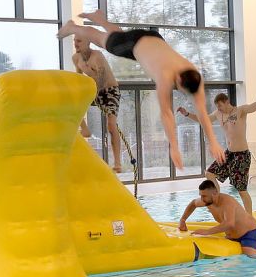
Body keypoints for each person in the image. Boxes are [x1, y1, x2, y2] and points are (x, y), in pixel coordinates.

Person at [58, 10, 224, 169]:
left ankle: (100, 18)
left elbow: (202, 112)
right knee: (101, 39)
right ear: (179, 78)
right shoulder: (165, 76)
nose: (179, 91)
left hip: (152, 41)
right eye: (180, 88)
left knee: (118, 37)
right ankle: (73, 27)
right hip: (135, 43)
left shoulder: (195, 76)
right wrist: (174, 147)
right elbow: (166, 113)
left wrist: (213, 142)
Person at [177, 85, 256, 214]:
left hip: (242, 155)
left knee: (241, 190)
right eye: (217, 107)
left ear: (227, 102)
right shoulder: (218, 113)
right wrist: (187, 114)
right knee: (209, 173)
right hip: (229, 154)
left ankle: (249, 218)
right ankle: (217, 199)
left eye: (220, 106)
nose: (219, 109)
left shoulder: (240, 111)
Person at [71, 34, 122, 172]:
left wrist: (91, 94)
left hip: (109, 91)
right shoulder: (76, 58)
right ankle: (85, 129)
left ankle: (117, 163)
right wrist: (80, 95)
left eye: (79, 40)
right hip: (94, 90)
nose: (76, 43)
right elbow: (79, 79)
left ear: (88, 42)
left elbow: (100, 78)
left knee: (111, 125)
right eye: (74, 41)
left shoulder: (97, 56)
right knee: (73, 102)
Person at [178, 180, 256, 258]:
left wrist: (207, 231)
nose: (202, 199)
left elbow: (230, 223)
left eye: (204, 196)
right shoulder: (207, 201)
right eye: (201, 196)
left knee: (251, 260)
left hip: (250, 234)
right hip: (231, 237)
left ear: (214, 193)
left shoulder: (227, 202)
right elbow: (193, 203)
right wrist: (182, 220)